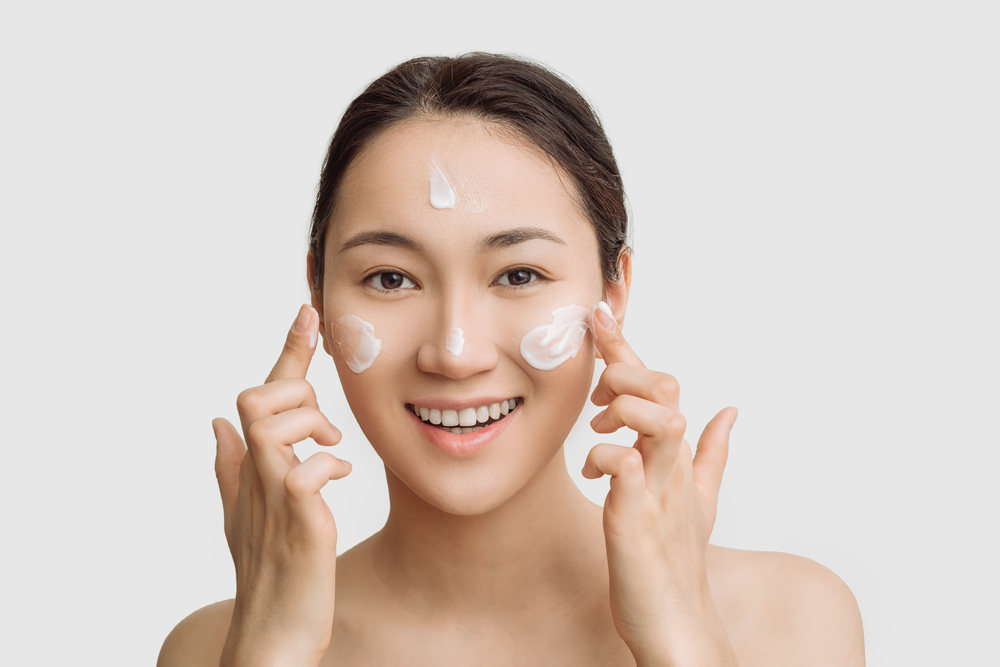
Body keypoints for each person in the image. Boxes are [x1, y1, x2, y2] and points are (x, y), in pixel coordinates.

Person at [158, 53, 865, 666]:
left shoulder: (789, 620)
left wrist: (680, 635)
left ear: (614, 290)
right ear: (315, 291)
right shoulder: (214, 646)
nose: (455, 352)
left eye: (519, 275)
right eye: (391, 278)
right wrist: (271, 649)